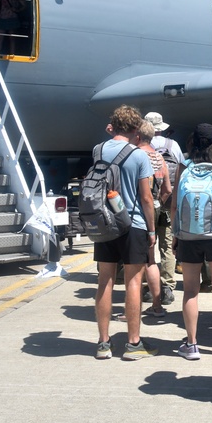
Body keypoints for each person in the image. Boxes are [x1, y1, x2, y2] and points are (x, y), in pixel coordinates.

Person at [91, 105, 157, 361]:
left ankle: (103, 343)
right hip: (133, 224)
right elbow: (147, 198)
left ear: (114, 125)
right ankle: (133, 344)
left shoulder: (98, 150)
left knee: (105, 280)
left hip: (104, 223)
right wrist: (152, 231)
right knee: (133, 283)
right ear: (135, 129)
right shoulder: (139, 156)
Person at [171, 123, 212, 360]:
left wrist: (176, 233)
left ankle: (192, 344)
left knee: (190, 290)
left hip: (188, 235)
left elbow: (175, 204)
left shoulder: (184, 167)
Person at [145, 111, 184, 301]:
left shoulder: (142, 147)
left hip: (148, 202)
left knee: (149, 246)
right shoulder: (173, 145)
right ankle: (168, 286)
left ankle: (150, 286)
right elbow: (179, 169)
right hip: (168, 201)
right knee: (167, 245)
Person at [136, 120, 173, 319]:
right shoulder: (159, 157)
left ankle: (132, 307)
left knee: (136, 261)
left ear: (137, 136)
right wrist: (159, 201)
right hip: (158, 208)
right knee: (152, 258)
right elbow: (167, 188)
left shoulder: (136, 156)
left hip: (141, 211)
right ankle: (157, 305)